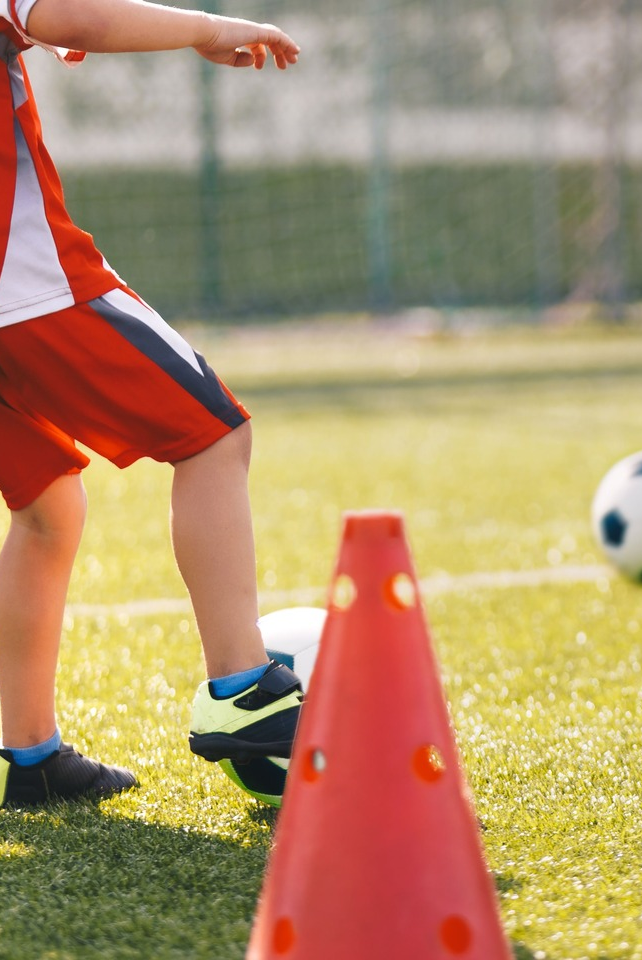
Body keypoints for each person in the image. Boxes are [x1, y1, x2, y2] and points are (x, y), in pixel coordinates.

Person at [0, 0, 304, 808]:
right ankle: (244, 690)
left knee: (47, 509)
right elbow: (77, 17)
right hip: (28, 294)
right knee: (213, 437)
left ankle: (30, 760)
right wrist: (210, 28)